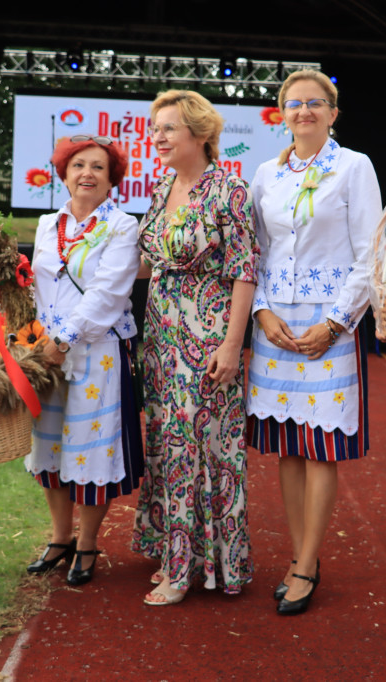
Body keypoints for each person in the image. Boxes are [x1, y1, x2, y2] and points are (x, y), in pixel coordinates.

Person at [246, 69, 382, 615]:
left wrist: (336, 322)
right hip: (276, 325)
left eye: (315, 103)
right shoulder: (263, 175)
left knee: (321, 448)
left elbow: (371, 252)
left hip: (329, 326)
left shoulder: (354, 168)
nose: (304, 111)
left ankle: (307, 562)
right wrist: (259, 312)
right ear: (281, 113)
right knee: (287, 447)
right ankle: (299, 555)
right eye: (294, 103)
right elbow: (251, 254)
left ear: (332, 112)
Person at [132, 90, 259, 606]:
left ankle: (186, 570)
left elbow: (245, 270)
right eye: (155, 129)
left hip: (207, 339)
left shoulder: (228, 190)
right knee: (170, 447)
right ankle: (176, 553)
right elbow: (145, 262)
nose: (157, 138)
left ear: (200, 135)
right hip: (161, 336)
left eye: (168, 129)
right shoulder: (163, 187)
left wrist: (232, 345)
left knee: (203, 451)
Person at [25, 135, 144, 586]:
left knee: (91, 452)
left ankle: (89, 542)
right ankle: (60, 539)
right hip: (47, 356)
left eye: (98, 166)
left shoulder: (121, 227)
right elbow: (38, 288)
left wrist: (63, 340)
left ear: (112, 178)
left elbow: (109, 294)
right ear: (64, 172)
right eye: (78, 165)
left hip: (98, 353)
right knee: (50, 446)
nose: (87, 174)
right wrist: (36, 341)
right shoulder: (45, 224)